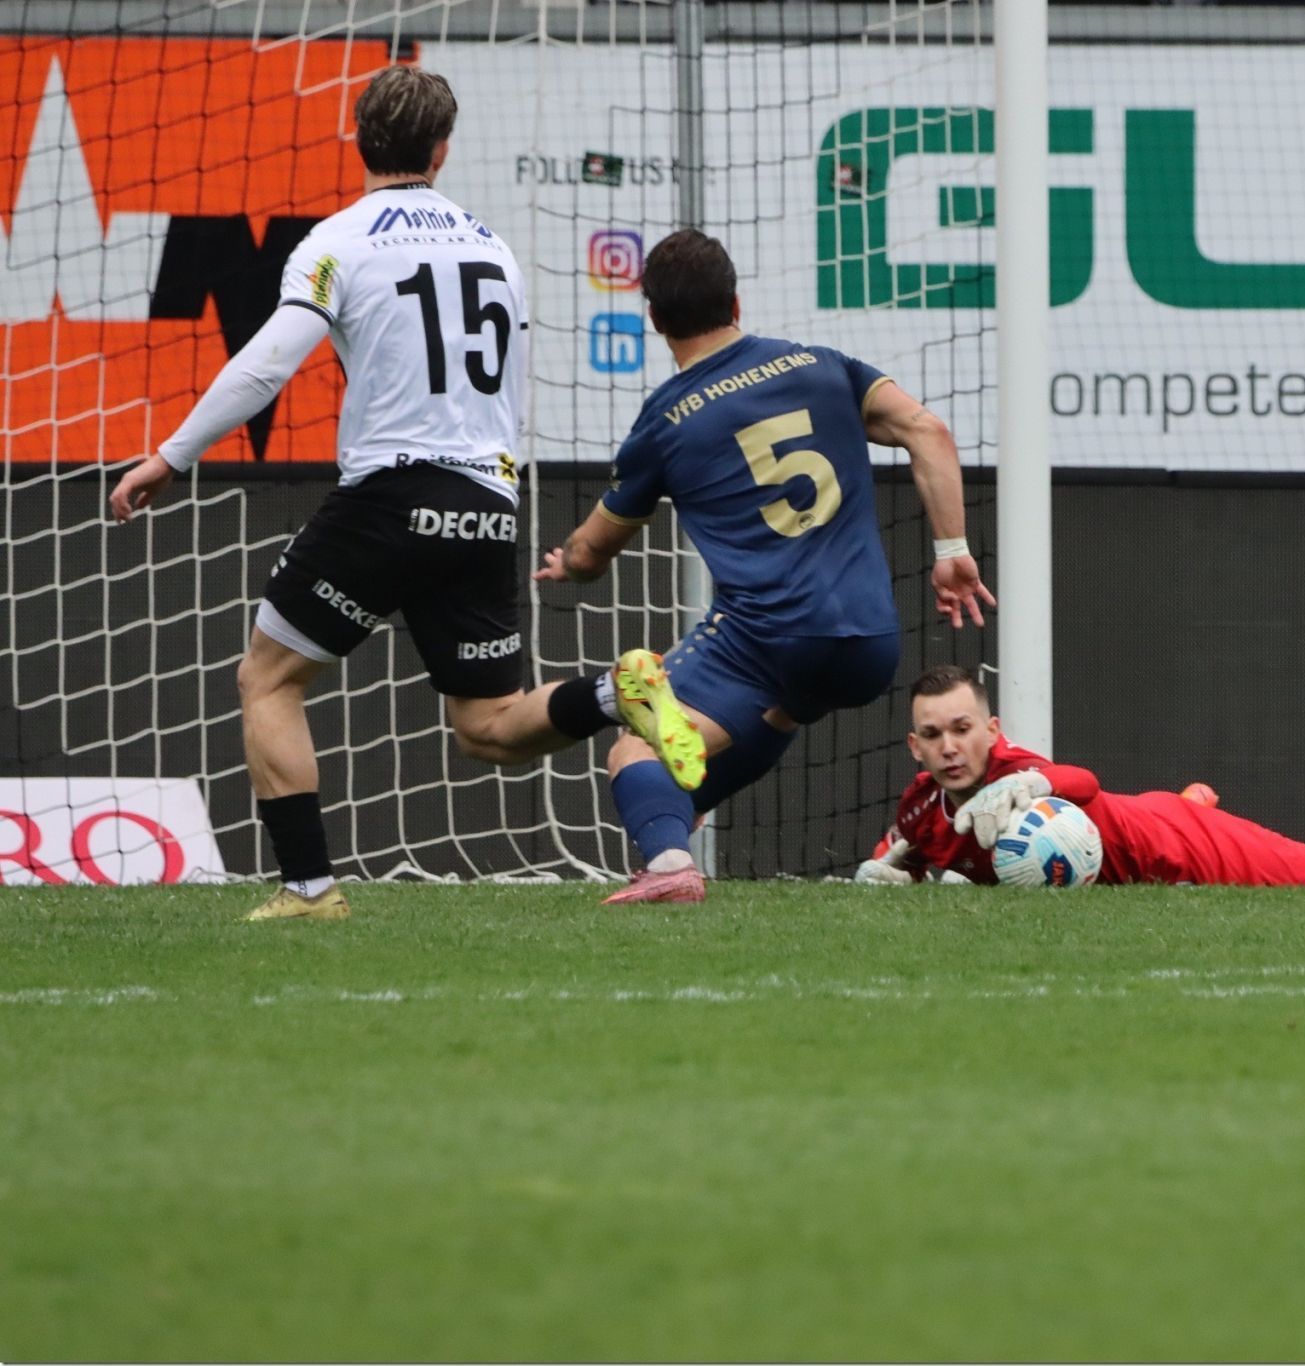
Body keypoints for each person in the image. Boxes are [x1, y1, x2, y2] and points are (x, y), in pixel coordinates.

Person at [108, 66, 693, 922]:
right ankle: (616, 694)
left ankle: (309, 888)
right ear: (443, 150)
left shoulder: (338, 240)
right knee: (489, 726)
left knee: (267, 681)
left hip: (391, 494)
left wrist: (171, 455)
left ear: (357, 139)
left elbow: (269, 361)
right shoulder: (493, 247)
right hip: (489, 500)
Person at [537, 230, 994, 906]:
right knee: (784, 708)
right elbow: (928, 431)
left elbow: (591, 552)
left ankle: (668, 860)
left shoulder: (665, 420)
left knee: (633, 752)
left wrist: (566, 566)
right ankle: (685, 804)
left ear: (655, 319)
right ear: (737, 302)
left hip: (770, 636)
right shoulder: (824, 365)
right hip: (870, 644)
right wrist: (951, 552)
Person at [855, 666, 1305, 888]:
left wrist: (1034, 786)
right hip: (1146, 830)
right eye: (935, 734)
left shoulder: (1017, 774)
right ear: (914, 746)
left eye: (963, 728)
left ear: (992, 729)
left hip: (1173, 845)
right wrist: (886, 876)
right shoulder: (922, 808)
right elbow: (915, 857)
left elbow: (1084, 782)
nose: (952, 746)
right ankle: (1198, 802)